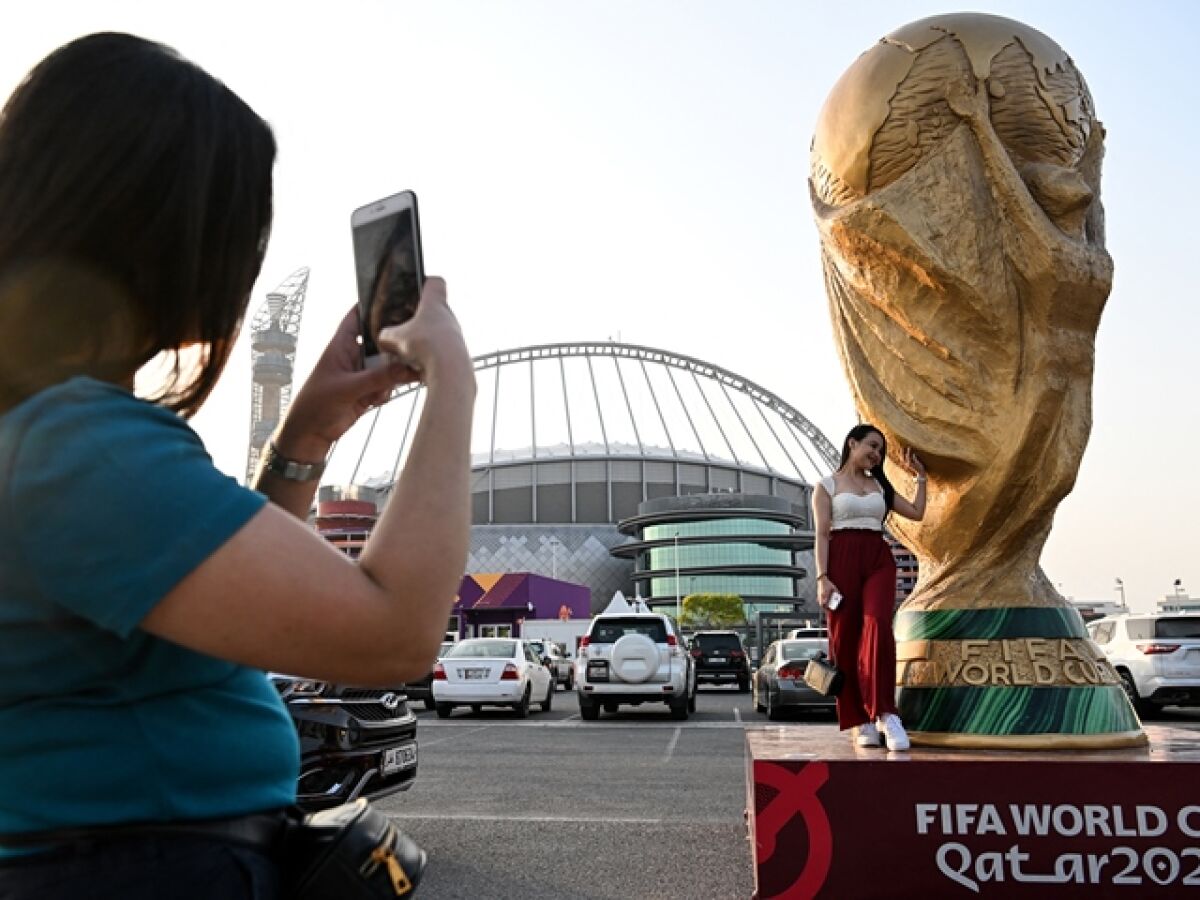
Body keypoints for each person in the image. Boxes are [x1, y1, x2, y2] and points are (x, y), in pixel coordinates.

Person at [0, 33, 475, 899]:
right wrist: (451, 381)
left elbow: (221, 594)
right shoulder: (84, 446)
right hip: (139, 872)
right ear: (165, 235)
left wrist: (308, 434)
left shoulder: (42, 434)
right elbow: (394, 634)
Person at [811, 424, 926, 751]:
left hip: (878, 558)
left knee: (878, 626)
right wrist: (822, 578)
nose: (876, 455)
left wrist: (920, 478)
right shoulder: (826, 486)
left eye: (880, 451)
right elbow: (821, 534)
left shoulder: (880, 486)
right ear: (852, 443)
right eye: (872, 447)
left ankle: (886, 713)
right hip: (841, 559)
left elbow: (916, 513)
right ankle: (858, 720)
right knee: (844, 638)